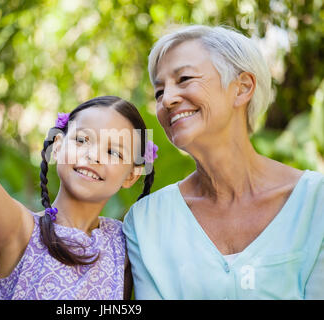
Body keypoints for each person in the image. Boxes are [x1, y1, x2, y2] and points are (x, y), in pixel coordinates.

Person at [0, 81, 157, 299]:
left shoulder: (123, 243)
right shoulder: (21, 230)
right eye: (82, 140)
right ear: (57, 146)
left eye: (113, 152)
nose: (93, 155)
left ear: (132, 175)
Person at [123, 25, 324, 299]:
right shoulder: (146, 221)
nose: (167, 100)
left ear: (241, 89)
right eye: (159, 92)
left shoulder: (316, 201)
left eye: (184, 78)